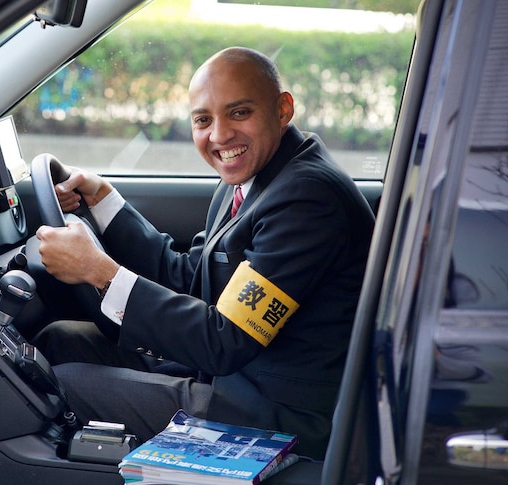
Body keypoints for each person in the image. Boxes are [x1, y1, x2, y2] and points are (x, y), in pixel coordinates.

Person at [32, 46, 374, 459]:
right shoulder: (254, 176)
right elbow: (192, 280)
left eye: (239, 113)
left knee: (58, 383)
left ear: (283, 109)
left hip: (278, 411)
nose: (219, 135)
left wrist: (99, 271)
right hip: (234, 375)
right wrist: (103, 200)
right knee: (58, 342)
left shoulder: (307, 200)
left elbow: (226, 340)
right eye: (202, 120)